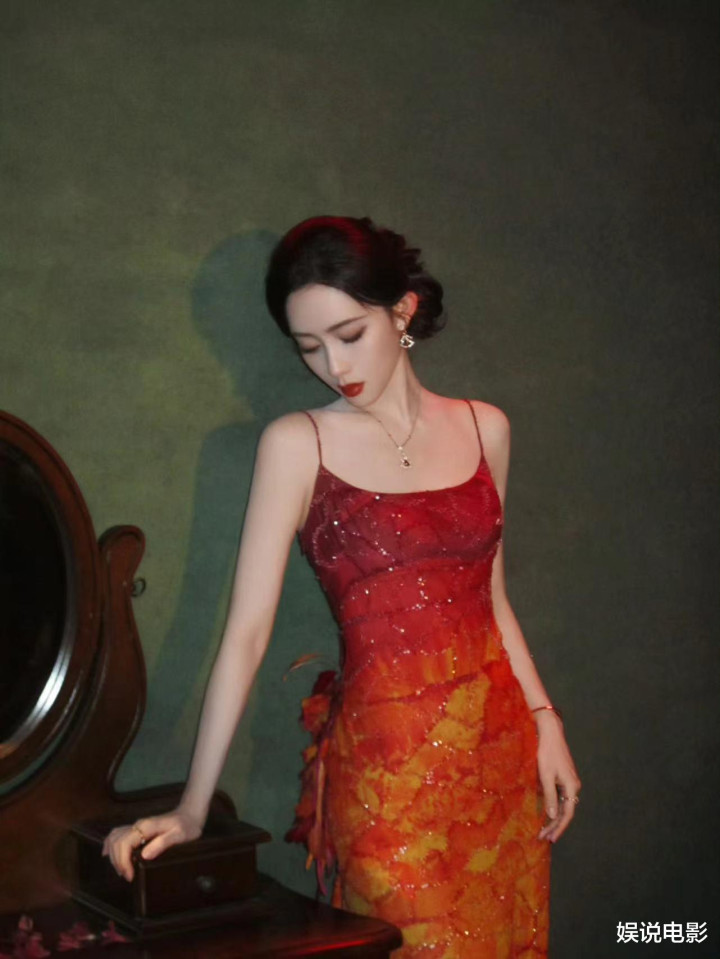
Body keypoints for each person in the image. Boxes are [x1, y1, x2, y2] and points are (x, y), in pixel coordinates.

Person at [103, 215, 581, 957]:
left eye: (349, 334)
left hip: (500, 762)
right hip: (386, 782)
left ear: (402, 311)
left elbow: (491, 600)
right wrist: (193, 808)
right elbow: (244, 635)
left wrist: (547, 722)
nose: (333, 364)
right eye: (309, 346)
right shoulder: (297, 444)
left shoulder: (486, 428)